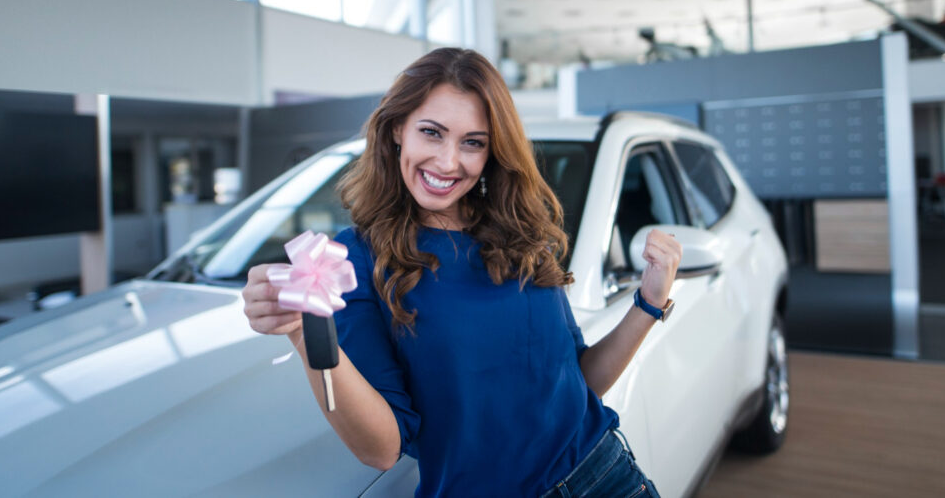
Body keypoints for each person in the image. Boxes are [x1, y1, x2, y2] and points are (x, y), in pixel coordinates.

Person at [243, 47, 681, 497]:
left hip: (606, 480)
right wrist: (304, 334)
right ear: (397, 129)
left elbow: (580, 381)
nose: (449, 162)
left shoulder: (520, 232)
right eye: (431, 133)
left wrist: (649, 301)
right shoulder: (356, 259)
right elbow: (380, 449)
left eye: (473, 142)